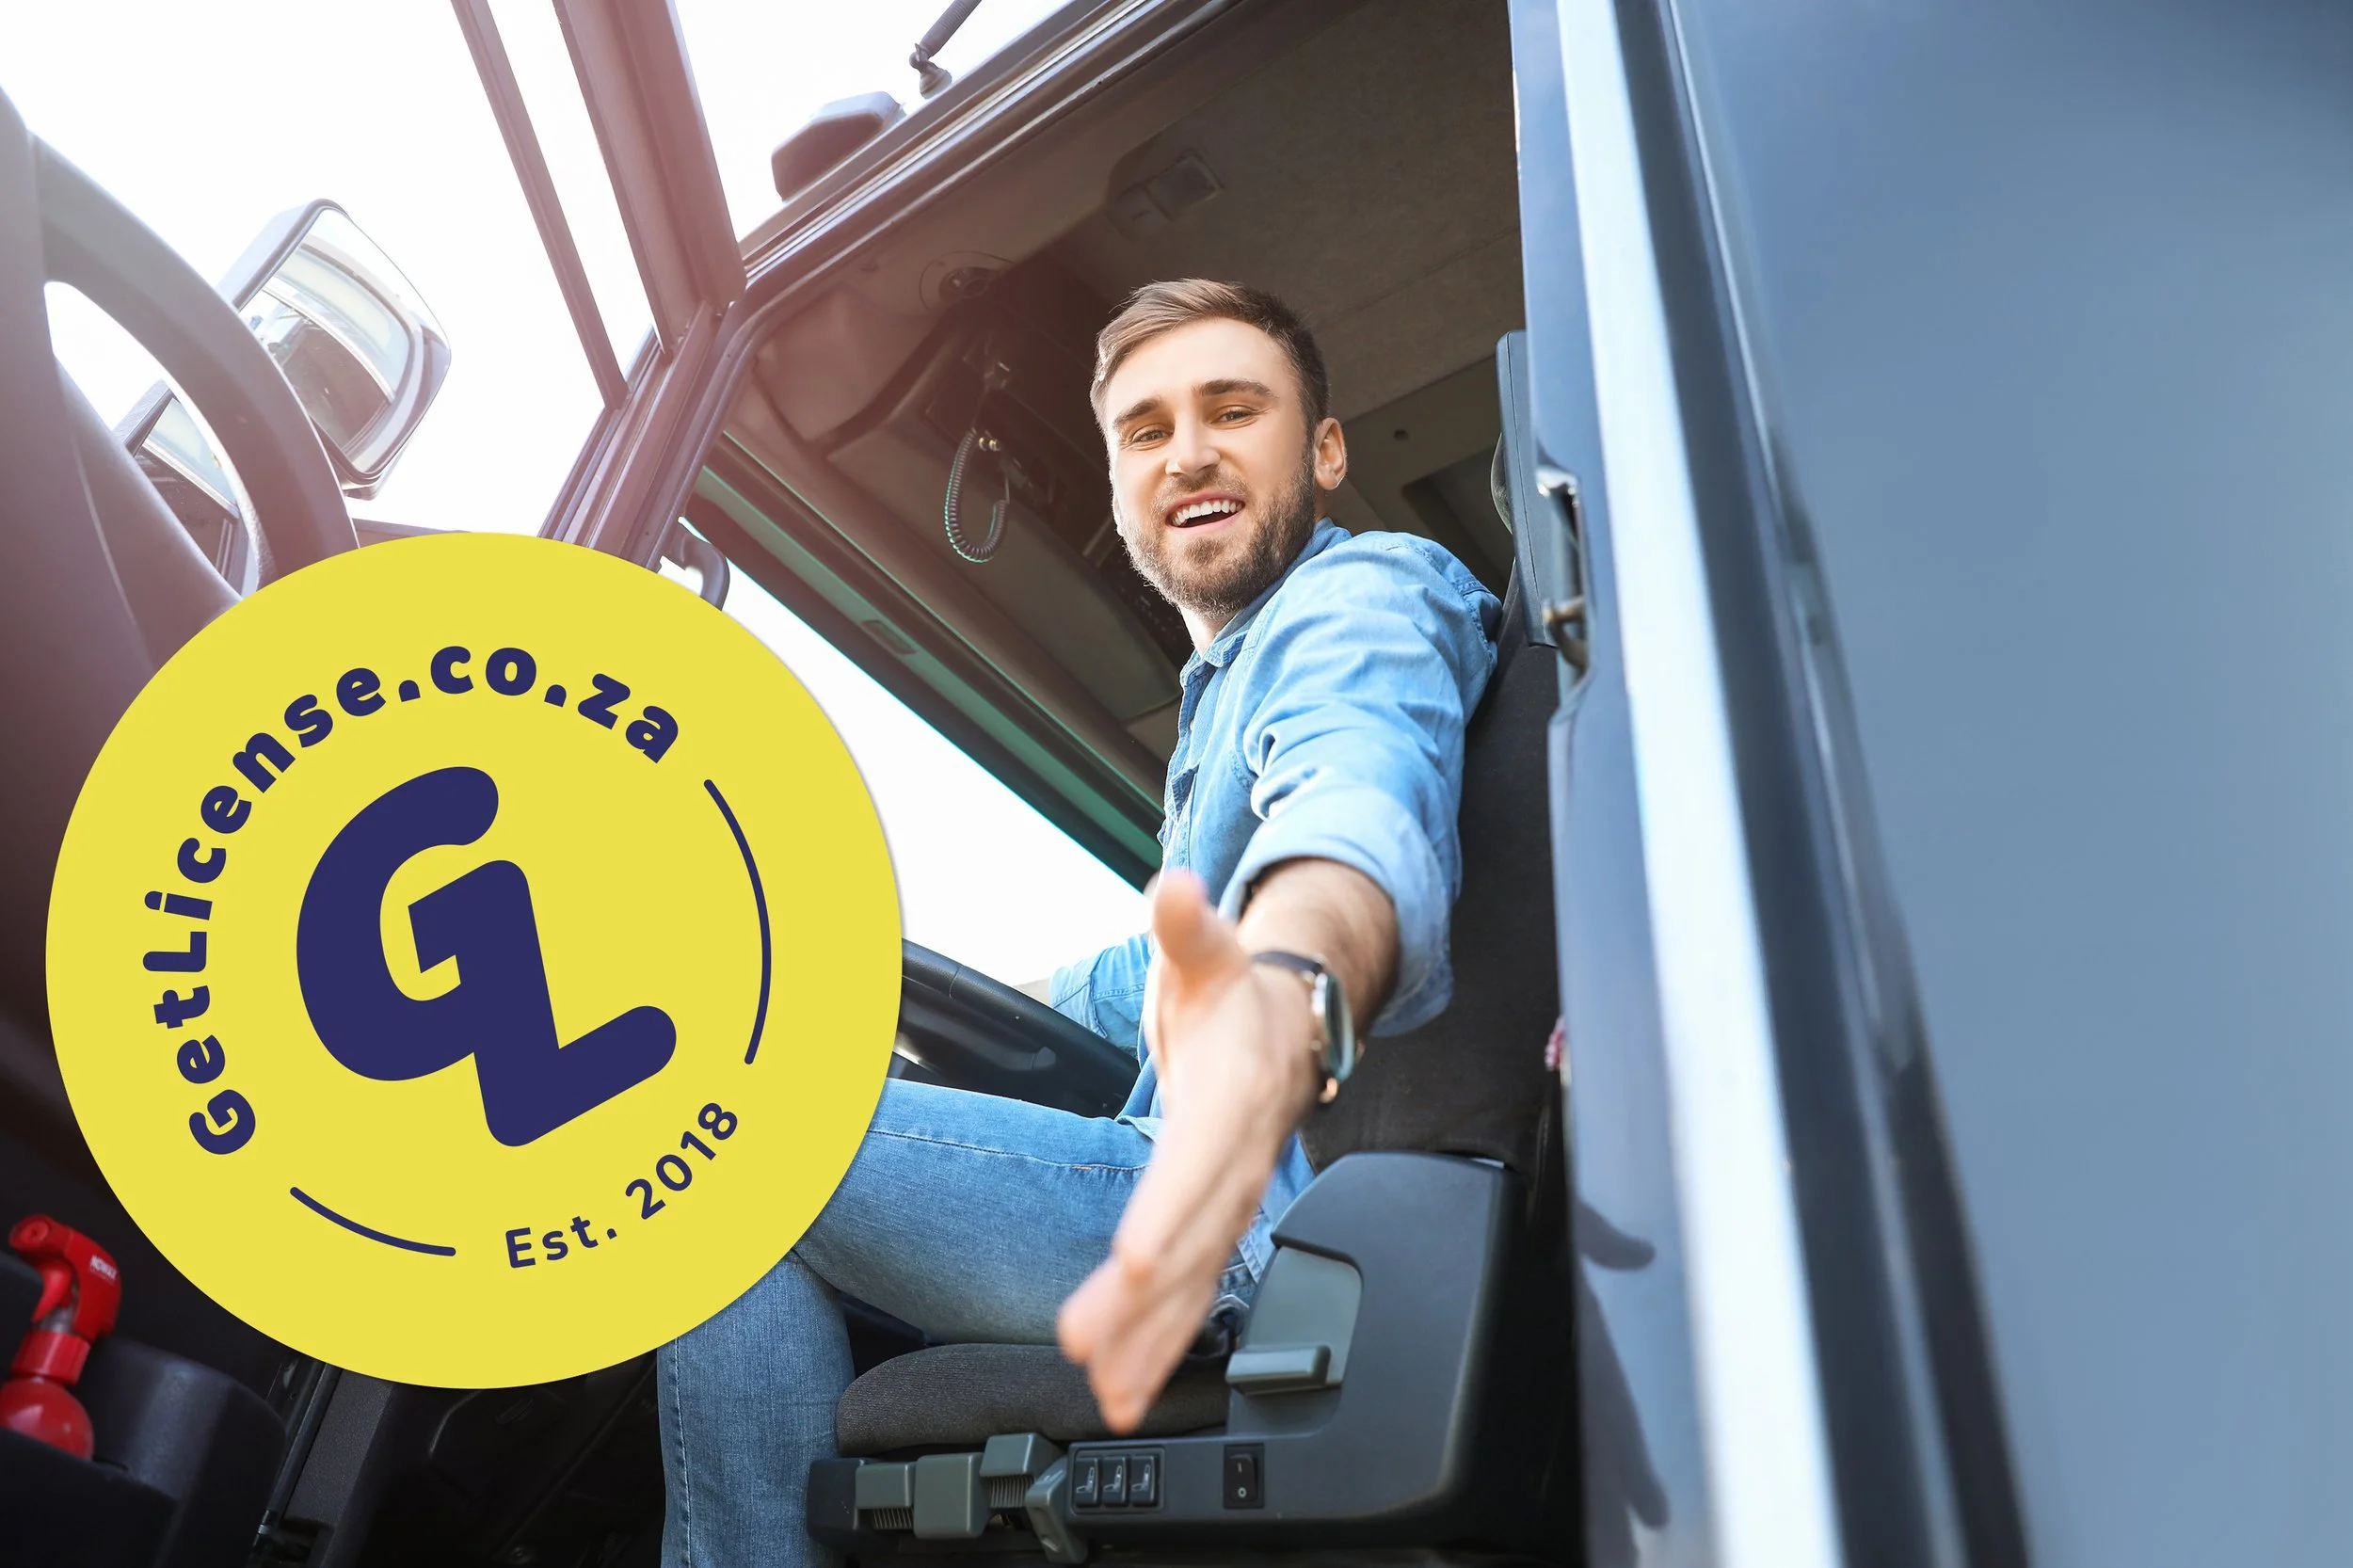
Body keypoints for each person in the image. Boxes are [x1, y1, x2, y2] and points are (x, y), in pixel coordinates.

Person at [659, 280, 1500, 1568]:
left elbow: (1352, 795)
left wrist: (1287, 987)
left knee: (697, 1132)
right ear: (1120, 486)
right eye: (1147, 429)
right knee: (706, 1181)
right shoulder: (1218, 704)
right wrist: (918, 998)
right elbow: (1127, 977)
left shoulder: (1361, 600)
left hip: (1236, 1217)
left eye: (1235, 409)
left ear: (1325, 452)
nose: (1193, 451)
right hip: (1166, 1181)